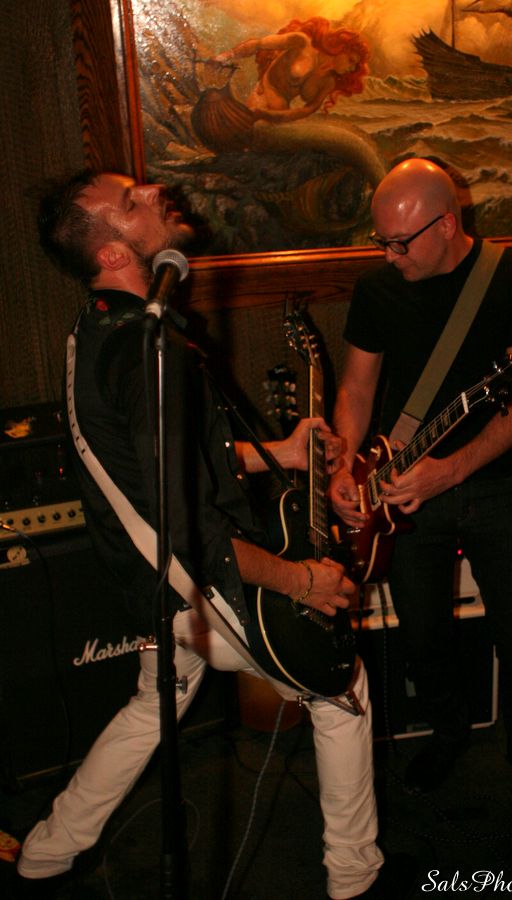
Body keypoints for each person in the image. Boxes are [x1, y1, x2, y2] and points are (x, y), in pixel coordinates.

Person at [13, 170, 397, 900]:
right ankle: (356, 877)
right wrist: (301, 579)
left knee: (153, 702)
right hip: (192, 580)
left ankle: (46, 853)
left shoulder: (102, 327)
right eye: (131, 202)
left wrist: (281, 453)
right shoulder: (148, 354)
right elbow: (188, 527)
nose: (155, 192)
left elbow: (171, 462)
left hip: (150, 582)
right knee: (338, 687)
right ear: (115, 254)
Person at [329, 157, 512, 859]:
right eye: (380, 240)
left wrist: (452, 471)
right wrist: (345, 465)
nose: (389, 255)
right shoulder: (378, 288)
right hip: (401, 487)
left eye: (400, 242)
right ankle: (447, 732)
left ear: (447, 223)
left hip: (499, 484)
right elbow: (356, 389)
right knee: (423, 634)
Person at [211, 16, 369, 124]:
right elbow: (259, 44)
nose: (351, 68)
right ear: (340, 49)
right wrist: (228, 55)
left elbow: (307, 110)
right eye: (351, 60)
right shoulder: (302, 43)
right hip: (262, 95)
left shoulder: (328, 81)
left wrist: (270, 115)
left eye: (355, 66)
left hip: (280, 112)